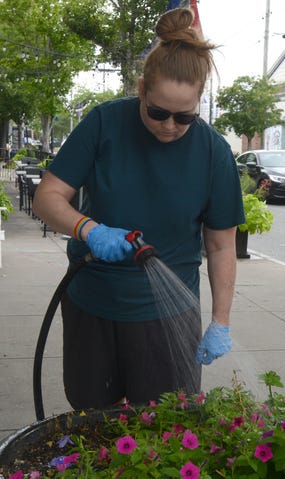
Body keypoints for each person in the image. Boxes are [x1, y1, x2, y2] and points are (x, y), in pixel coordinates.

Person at [33, 7, 244, 410]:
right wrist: (88, 229)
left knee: (166, 431)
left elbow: (220, 247)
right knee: (93, 420)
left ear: (200, 102)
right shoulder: (103, 124)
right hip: (93, 304)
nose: (169, 126)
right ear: (142, 89)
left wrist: (221, 320)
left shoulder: (213, 152)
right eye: (158, 112)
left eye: (184, 117)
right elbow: (48, 197)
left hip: (168, 315)